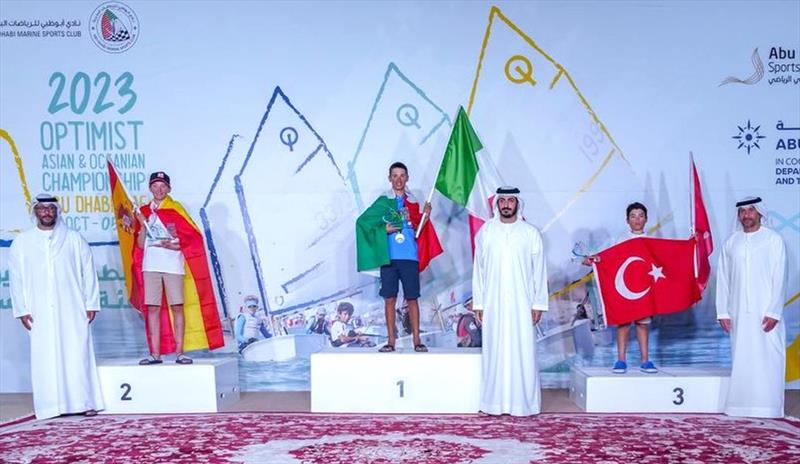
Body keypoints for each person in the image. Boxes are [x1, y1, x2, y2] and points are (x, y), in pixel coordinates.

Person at [9, 194, 104, 419]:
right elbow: (16, 278)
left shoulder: (73, 239)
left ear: (57, 211)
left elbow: (88, 273)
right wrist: (21, 309)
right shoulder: (22, 242)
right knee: (45, 357)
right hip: (38, 309)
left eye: (50, 208)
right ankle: (51, 406)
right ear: (35, 212)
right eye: (42, 209)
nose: (46, 213)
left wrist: (91, 302)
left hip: (73, 307)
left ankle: (85, 401)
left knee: (77, 353)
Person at [472, 187, 549, 416]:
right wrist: (479, 303)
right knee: (494, 352)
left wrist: (538, 304)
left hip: (522, 303)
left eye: (510, 200)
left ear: (518, 203)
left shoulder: (530, 233)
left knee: (522, 351)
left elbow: (539, 272)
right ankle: (492, 403)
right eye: (503, 200)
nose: (506, 204)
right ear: (497, 203)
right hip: (493, 303)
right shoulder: (486, 232)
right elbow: (479, 271)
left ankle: (524, 404)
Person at [356, 161, 440, 353]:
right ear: (389, 179)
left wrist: (425, 216)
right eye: (395, 176)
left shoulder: (413, 202)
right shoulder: (383, 202)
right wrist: (382, 230)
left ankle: (417, 341)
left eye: (402, 176)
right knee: (390, 299)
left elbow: (419, 228)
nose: (399, 179)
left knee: (412, 298)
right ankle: (391, 341)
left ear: (407, 178)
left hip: (409, 256)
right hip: (389, 259)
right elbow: (362, 223)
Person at [716, 196, 787, 418]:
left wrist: (774, 311)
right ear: (738, 215)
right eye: (743, 212)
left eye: (751, 211)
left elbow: (780, 277)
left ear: (760, 213)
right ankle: (739, 406)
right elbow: (723, 279)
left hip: (766, 312)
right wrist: (723, 312)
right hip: (738, 312)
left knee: (769, 356)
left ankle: (770, 408)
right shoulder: (731, 242)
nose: (747, 215)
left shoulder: (773, 240)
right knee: (742, 356)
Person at [582, 202, 658, 374]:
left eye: (640, 216)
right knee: (623, 324)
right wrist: (592, 260)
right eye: (633, 216)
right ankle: (621, 360)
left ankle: (645, 360)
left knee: (642, 325)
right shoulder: (620, 239)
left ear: (646, 219)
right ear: (627, 220)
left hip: (644, 290)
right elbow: (607, 257)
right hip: (624, 289)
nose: (637, 219)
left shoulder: (653, 240)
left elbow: (665, 260)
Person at [135, 171, 193, 365]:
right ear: (150, 188)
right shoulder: (144, 211)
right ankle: (155, 354)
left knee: (177, 306)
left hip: (173, 265)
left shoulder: (177, 209)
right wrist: (142, 224)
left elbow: (190, 238)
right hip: (151, 266)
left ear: (169, 188)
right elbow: (141, 245)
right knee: (152, 308)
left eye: (163, 186)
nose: (159, 189)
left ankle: (180, 353)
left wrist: (174, 245)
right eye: (155, 186)